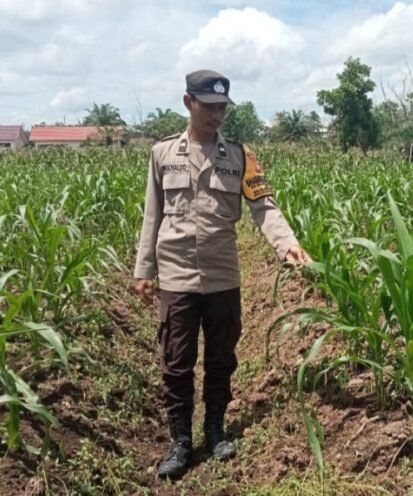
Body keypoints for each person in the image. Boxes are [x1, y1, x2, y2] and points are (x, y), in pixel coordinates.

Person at [133, 69, 310, 478]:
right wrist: (145, 269)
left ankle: (215, 429)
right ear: (188, 103)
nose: (217, 116)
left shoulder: (241, 156)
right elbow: (152, 214)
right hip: (176, 274)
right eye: (209, 107)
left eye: (222, 109)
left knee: (221, 357)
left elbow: (264, 207)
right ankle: (180, 440)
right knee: (177, 362)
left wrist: (289, 245)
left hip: (222, 275)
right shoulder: (162, 154)